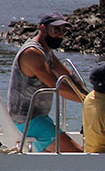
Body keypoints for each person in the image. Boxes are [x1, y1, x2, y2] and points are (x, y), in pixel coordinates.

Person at [7, 12, 85, 152]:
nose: (60, 35)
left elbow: (67, 75)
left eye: (63, 31)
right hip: (28, 120)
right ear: (43, 29)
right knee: (79, 155)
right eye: (56, 30)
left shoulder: (45, 51)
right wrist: (89, 101)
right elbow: (57, 86)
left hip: (39, 118)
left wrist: (92, 94)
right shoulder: (32, 53)